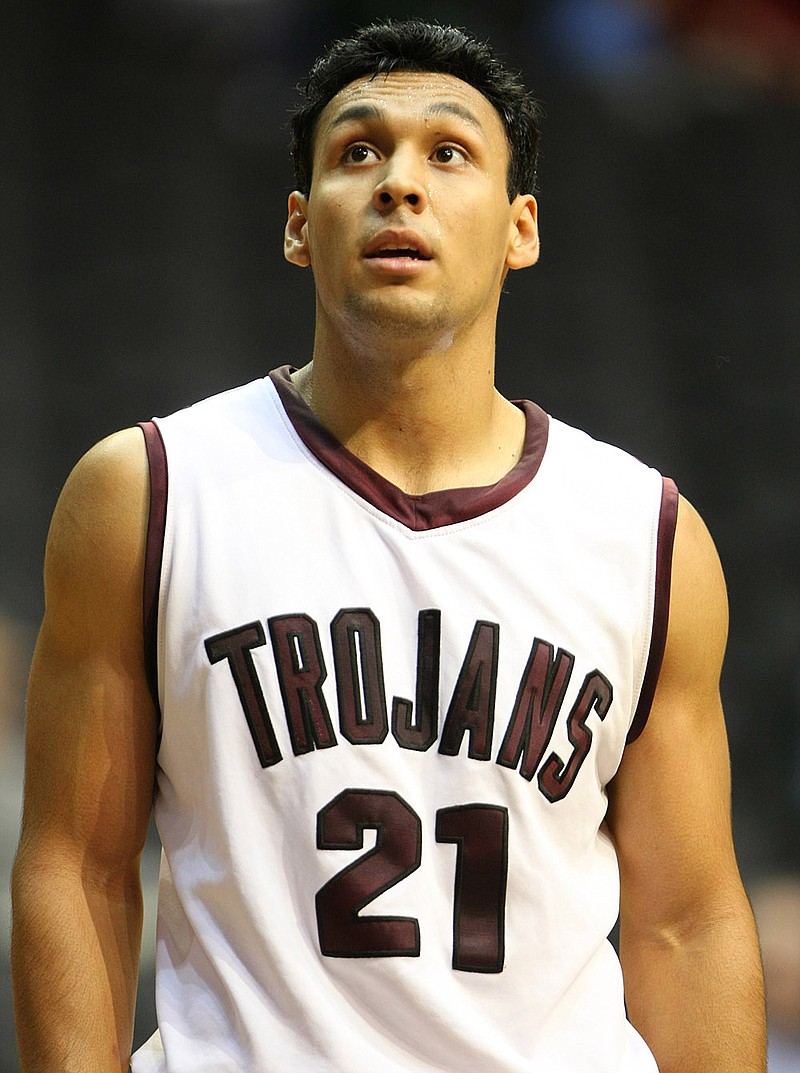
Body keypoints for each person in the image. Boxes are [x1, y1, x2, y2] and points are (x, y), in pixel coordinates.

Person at [11, 18, 766, 1073]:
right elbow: (76, 868)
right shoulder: (147, 491)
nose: (397, 183)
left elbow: (685, 920)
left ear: (519, 228)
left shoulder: (645, 532)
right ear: (295, 225)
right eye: (356, 151)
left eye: (447, 152)